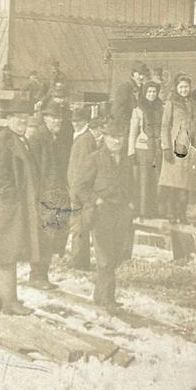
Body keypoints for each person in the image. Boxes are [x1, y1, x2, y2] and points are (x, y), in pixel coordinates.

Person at [0, 112, 45, 313]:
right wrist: (11, 198)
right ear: (8, 120)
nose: (22, 123)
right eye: (17, 119)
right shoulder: (0, 141)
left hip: (15, 205)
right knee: (7, 253)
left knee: (1, 253)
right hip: (6, 207)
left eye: (24, 120)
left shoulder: (20, 140)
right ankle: (10, 302)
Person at [74, 127, 137, 308]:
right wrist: (97, 200)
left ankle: (101, 295)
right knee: (105, 256)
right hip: (102, 213)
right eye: (113, 137)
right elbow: (80, 187)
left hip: (121, 213)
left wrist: (131, 203)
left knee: (116, 255)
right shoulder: (94, 158)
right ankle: (107, 299)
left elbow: (130, 184)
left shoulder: (125, 160)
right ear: (105, 138)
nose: (117, 141)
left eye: (120, 137)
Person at [157, 73, 196, 223]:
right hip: (174, 148)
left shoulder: (193, 103)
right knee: (172, 183)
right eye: (181, 87)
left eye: (186, 87)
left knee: (185, 183)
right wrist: (166, 147)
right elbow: (164, 126)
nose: (184, 89)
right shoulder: (171, 103)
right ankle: (172, 213)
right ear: (176, 88)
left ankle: (182, 214)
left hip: (188, 149)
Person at [34, 104, 74, 268]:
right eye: (53, 117)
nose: (57, 121)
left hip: (57, 190)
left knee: (56, 229)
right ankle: (38, 273)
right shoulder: (38, 138)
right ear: (44, 118)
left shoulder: (57, 138)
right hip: (44, 193)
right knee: (44, 233)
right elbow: (35, 169)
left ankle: (47, 266)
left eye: (59, 118)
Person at [65, 111, 102, 271]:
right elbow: (85, 167)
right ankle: (79, 261)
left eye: (78, 120)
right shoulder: (86, 140)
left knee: (80, 226)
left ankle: (79, 261)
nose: (75, 123)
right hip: (79, 189)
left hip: (77, 187)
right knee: (80, 226)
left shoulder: (83, 139)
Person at [128, 81, 164, 219]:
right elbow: (133, 133)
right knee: (143, 180)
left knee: (156, 179)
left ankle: (155, 210)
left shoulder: (162, 108)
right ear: (144, 93)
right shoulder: (138, 110)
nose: (152, 94)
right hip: (143, 149)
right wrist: (131, 152)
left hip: (157, 148)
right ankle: (143, 210)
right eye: (149, 92)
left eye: (154, 92)